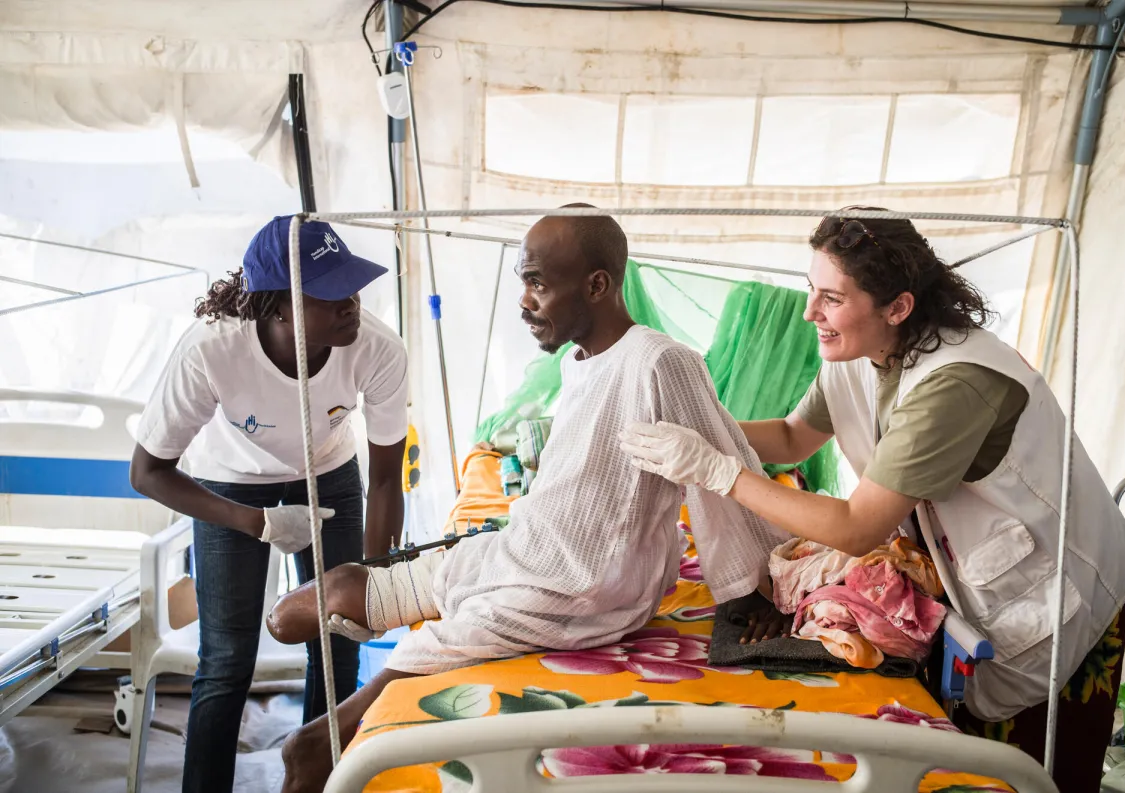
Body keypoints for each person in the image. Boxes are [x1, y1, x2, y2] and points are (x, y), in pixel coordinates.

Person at [620, 208, 1125, 793]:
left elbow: (856, 528)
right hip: (971, 568)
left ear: (897, 306)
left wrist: (718, 470)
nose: (808, 312)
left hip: (1060, 581)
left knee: (1040, 767)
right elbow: (796, 437)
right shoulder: (863, 354)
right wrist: (701, 428)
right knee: (967, 742)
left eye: (830, 298)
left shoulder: (956, 383)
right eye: (810, 290)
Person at [272, 206, 786, 793]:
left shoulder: (660, 362)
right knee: (300, 610)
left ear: (596, 285)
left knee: (320, 737)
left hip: (582, 587)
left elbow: (722, 471)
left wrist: (748, 590)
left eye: (537, 282)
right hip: (525, 549)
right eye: (523, 280)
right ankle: (393, 610)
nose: (523, 300)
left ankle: (323, 741)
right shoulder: (577, 362)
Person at [128, 215, 410, 793]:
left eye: (354, 286)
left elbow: (384, 481)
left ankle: (318, 779)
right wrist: (252, 521)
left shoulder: (378, 349)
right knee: (227, 661)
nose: (353, 303)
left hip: (329, 474)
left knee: (337, 648)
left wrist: (371, 580)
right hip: (232, 481)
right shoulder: (212, 351)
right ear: (279, 306)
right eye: (332, 294)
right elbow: (147, 472)